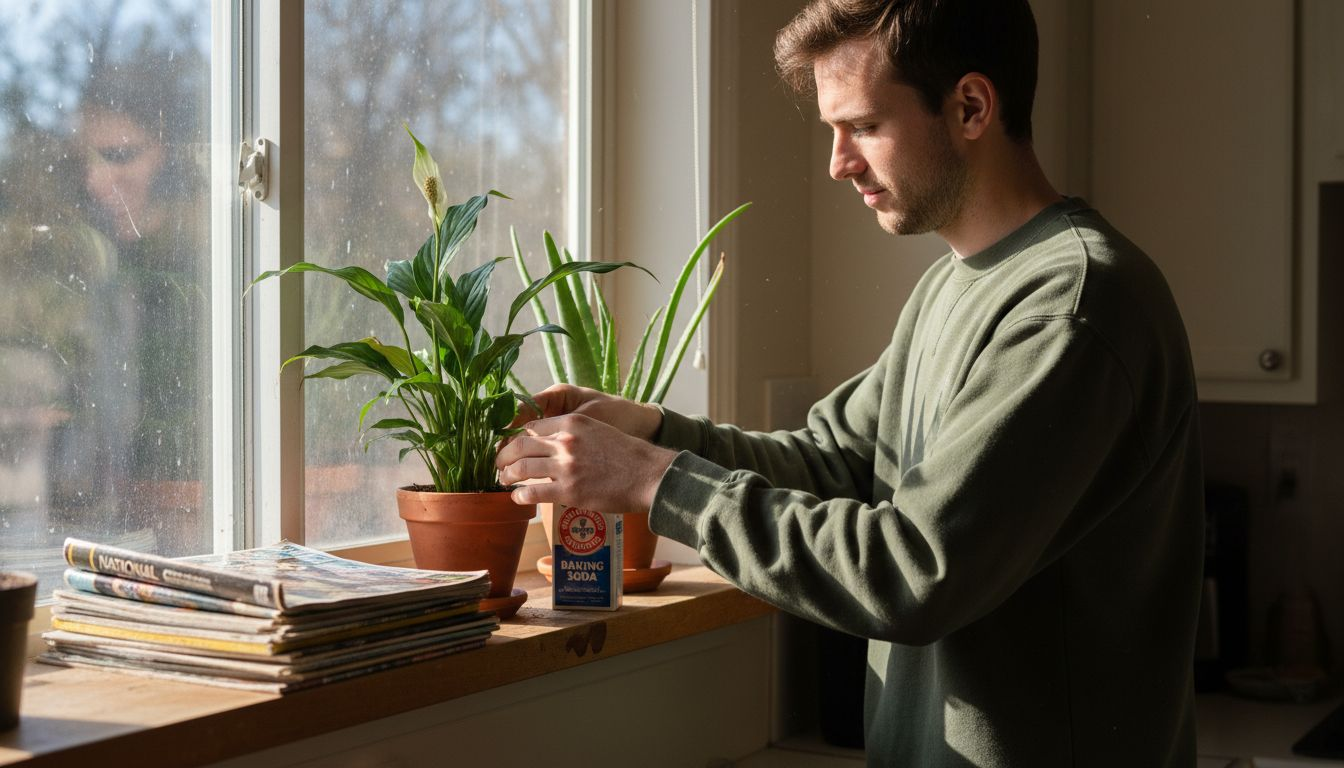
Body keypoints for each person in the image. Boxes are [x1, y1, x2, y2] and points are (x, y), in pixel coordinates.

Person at [496, 1, 1203, 765]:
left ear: (971, 107)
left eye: (863, 126)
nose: (839, 162)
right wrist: (659, 433)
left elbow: (911, 572)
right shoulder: (953, 287)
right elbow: (838, 464)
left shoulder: (1074, 304)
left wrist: (658, 482)